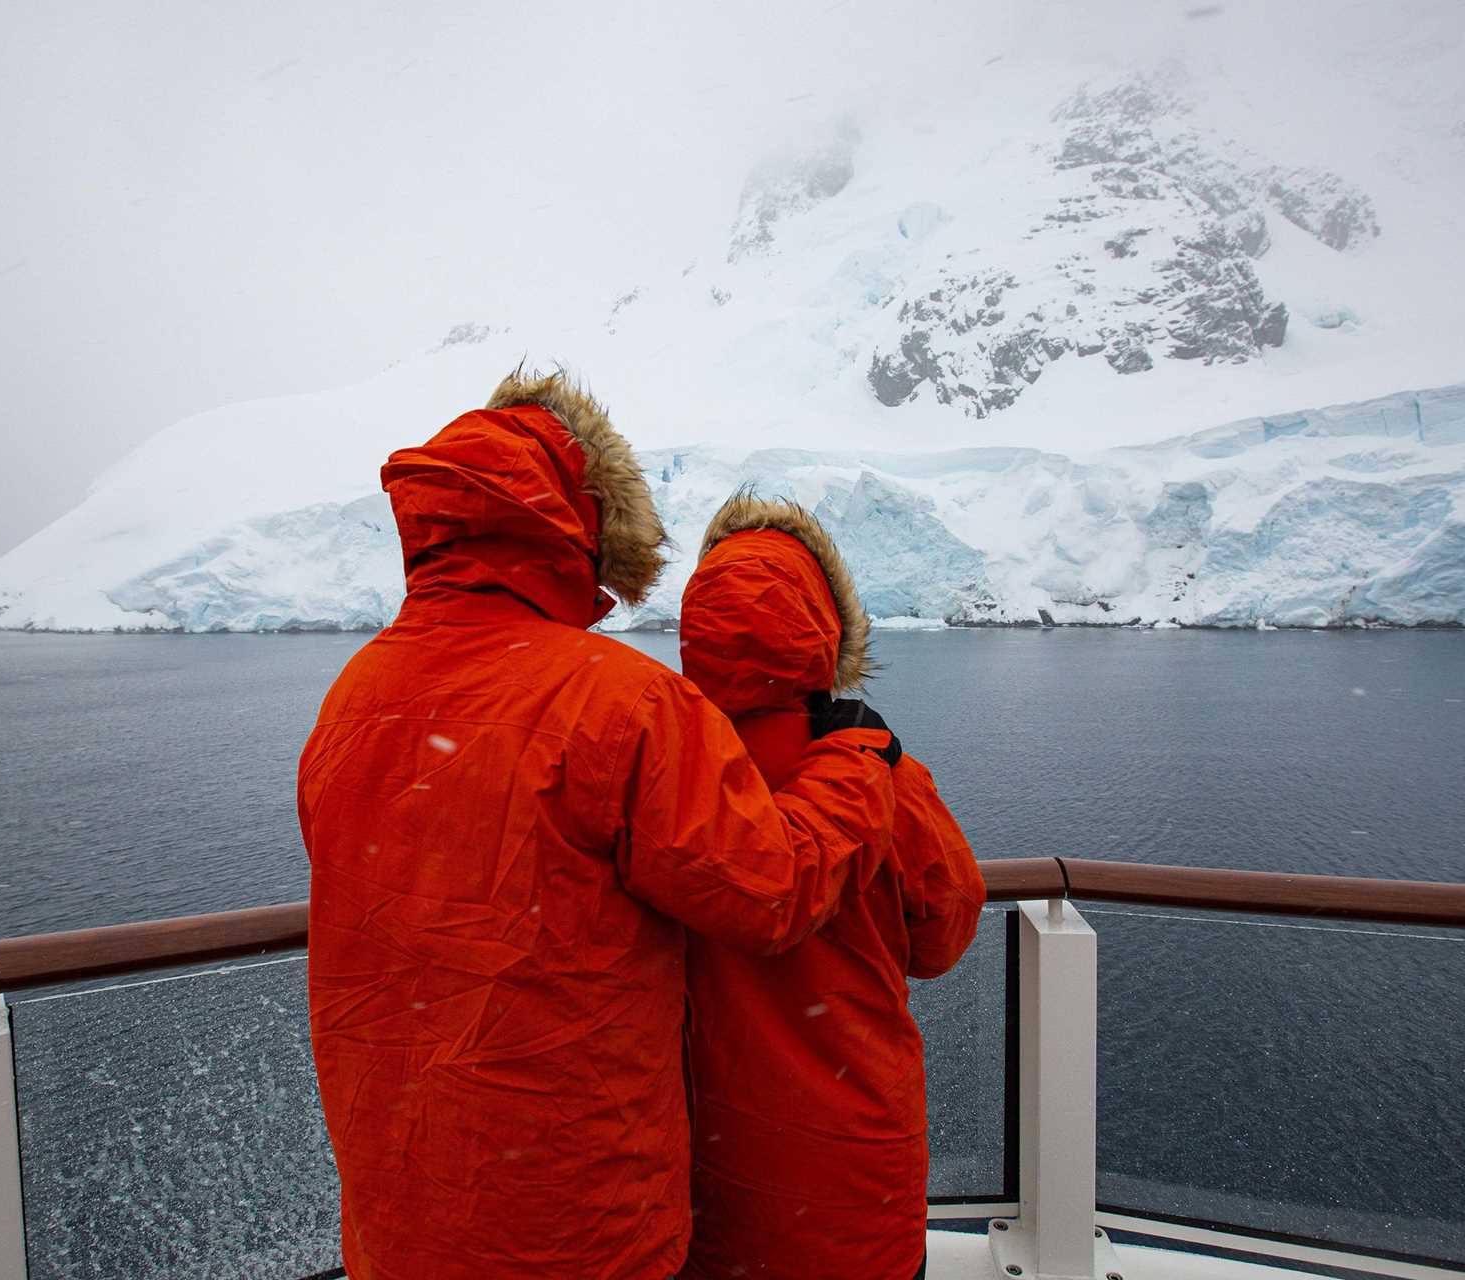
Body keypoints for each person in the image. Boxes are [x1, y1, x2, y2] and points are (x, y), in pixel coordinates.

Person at [297, 370, 903, 1280]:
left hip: (399, 1213)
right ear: (584, 525)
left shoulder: (351, 702)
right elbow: (768, 892)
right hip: (573, 1221)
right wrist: (857, 763)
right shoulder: (620, 701)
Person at [676, 494, 986, 1280]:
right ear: (829, 626)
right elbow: (942, 936)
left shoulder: (667, 775)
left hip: (704, 1169)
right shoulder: (885, 777)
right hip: (854, 1175)